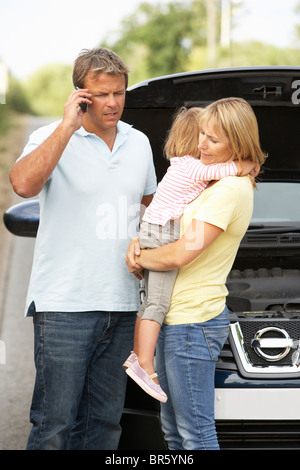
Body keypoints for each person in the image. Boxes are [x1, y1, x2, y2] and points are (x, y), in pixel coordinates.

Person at [9, 48, 157, 450]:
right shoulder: (50, 137)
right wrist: (67, 127)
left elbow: (151, 211)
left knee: (104, 426)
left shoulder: (139, 142)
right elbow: (22, 185)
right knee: (53, 426)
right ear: (81, 95)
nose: (113, 103)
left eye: (119, 93)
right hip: (64, 305)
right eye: (102, 94)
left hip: (124, 304)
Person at [126, 97, 266, 450]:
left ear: (237, 143)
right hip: (177, 320)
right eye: (202, 133)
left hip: (193, 323)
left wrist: (142, 257)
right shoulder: (209, 184)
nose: (201, 143)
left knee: (196, 436)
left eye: (214, 139)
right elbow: (168, 219)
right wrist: (138, 242)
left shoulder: (231, 188)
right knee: (175, 435)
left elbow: (180, 253)